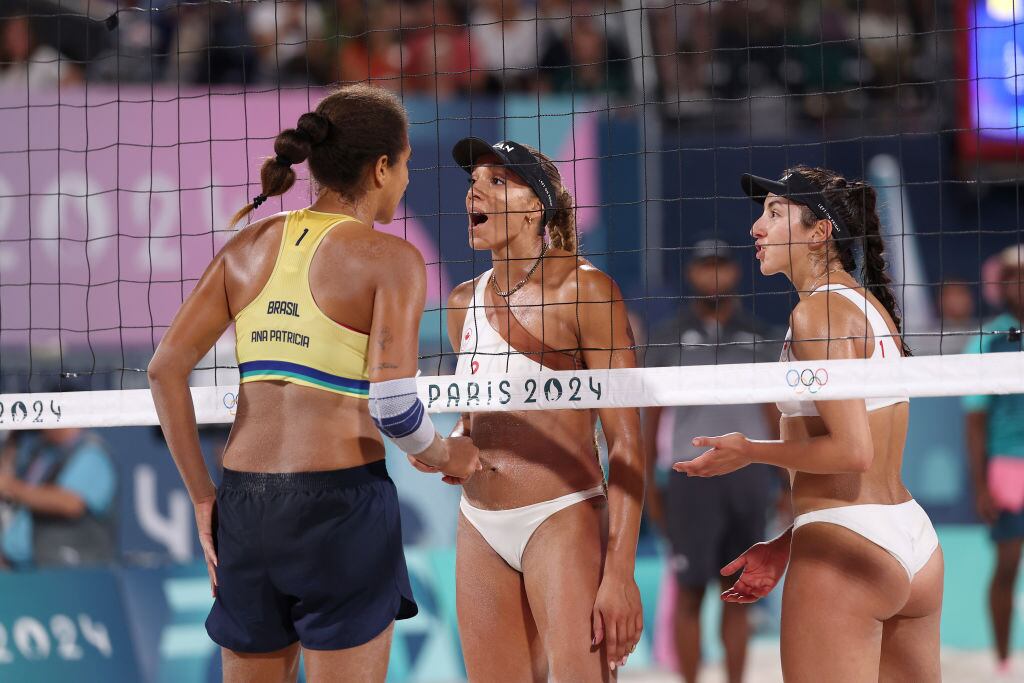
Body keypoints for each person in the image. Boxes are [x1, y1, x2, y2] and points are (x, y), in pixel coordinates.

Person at [148, 84, 479, 683]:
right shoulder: (391, 259)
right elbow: (395, 407)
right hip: (339, 508)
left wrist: (202, 497)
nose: (406, 181)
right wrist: (447, 454)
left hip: (245, 506)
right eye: (406, 165)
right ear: (381, 167)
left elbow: (164, 370)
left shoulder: (246, 246)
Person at [675, 167, 943, 681]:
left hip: (847, 547)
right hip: (912, 541)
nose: (756, 228)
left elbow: (853, 452)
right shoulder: (868, 307)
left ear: (819, 233)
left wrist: (749, 450)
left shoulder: (816, 315)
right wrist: (791, 540)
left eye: (775, 214)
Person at [425, 137, 645, 679]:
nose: (474, 190)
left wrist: (620, 571)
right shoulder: (461, 302)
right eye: (473, 180)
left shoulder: (585, 290)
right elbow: (475, 418)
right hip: (479, 522)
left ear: (535, 208)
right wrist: (447, 447)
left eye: (496, 181)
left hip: (562, 514)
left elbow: (626, 442)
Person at [643, 237, 780, 683]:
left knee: (738, 594)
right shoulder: (667, 338)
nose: (714, 274)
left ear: (735, 272)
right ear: (692, 273)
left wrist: (787, 482)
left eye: (721, 265)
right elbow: (649, 421)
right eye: (705, 266)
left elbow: (775, 416)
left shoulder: (761, 336)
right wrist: (650, 489)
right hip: (691, 479)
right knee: (689, 592)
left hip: (747, 477)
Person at [963, 243, 1024, 677]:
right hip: (1007, 466)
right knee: (1007, 565)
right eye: (1011, 278)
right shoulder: (987, 341)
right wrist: (981, 485)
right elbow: (975, 421)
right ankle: (1003, 664)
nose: (1018, 285)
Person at [0, 428, 117, 570]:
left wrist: (11, 487)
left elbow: (70, 503)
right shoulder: (43, 451)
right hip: (23, 567)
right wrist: (13, 441)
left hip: (70, 570)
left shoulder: (90, 453)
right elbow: (10, 485)